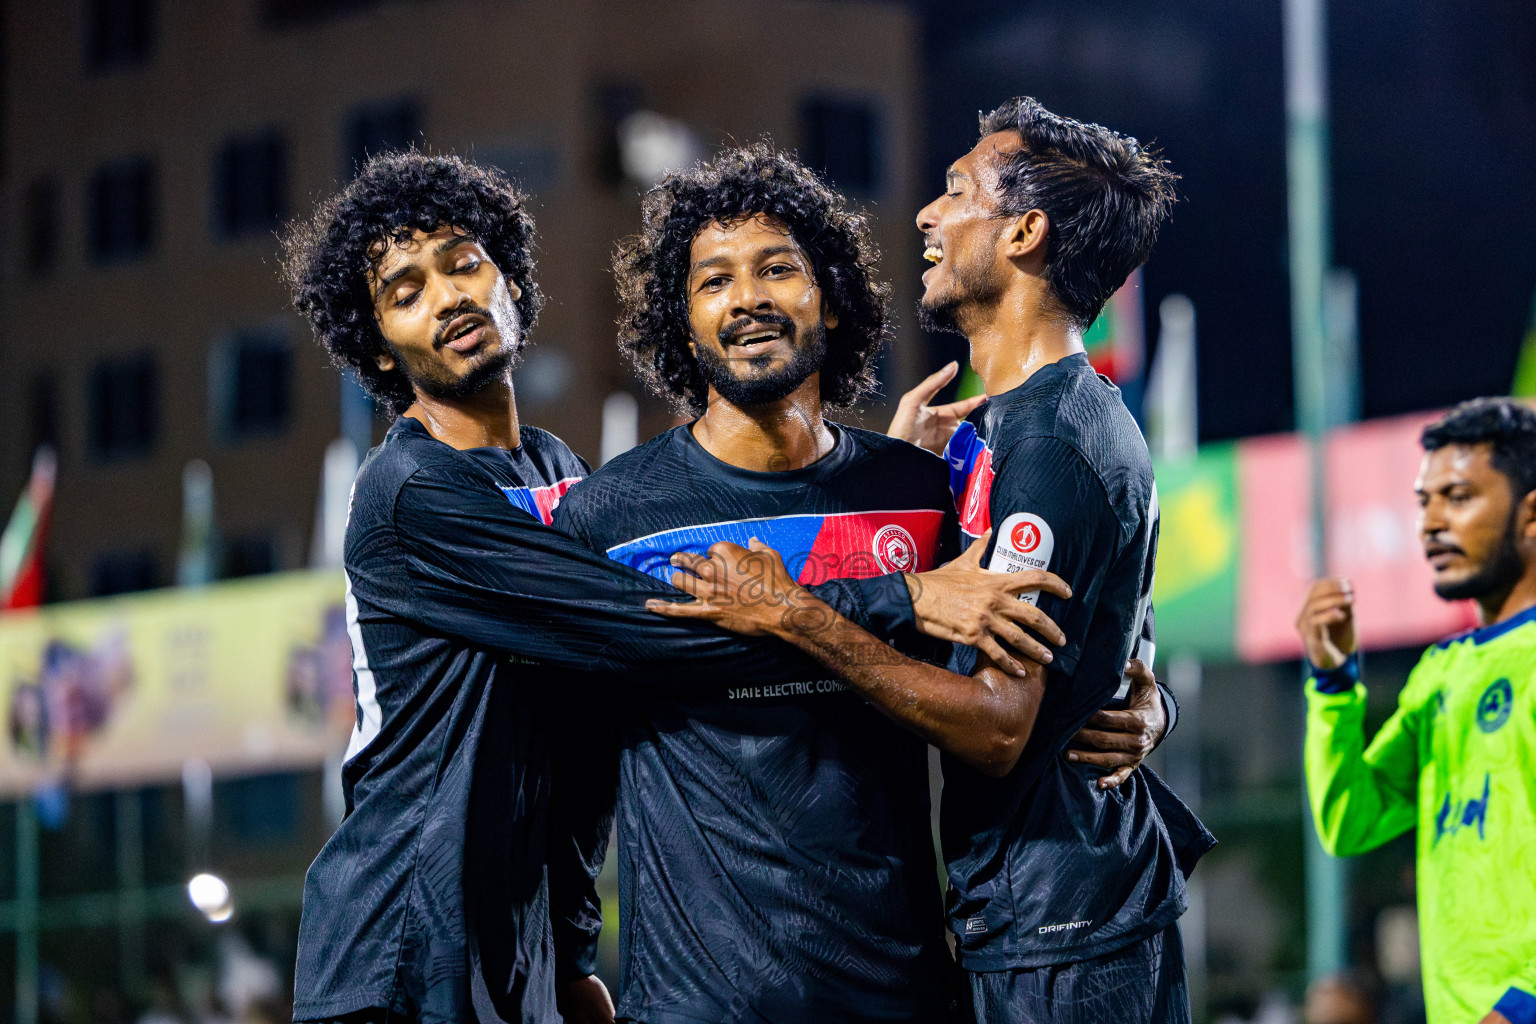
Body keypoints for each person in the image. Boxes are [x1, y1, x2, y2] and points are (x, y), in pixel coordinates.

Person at [277, 150, 1143, 1024]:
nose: (451, 297)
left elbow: (1042, 649)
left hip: (849, 978)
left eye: (465, 263)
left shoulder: (559, 474)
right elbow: (639, 642)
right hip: (409, 942)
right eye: (406, 292)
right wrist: (896, 595)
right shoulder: (464, 499)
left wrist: (1145, 704)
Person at [558, 145, 1171, 1023]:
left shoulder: (919, 496)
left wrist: (1151, 700)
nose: (749, 299)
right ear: (679, 320)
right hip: (696, 1003)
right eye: (713, 281)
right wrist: (570, 956)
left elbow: (1075, 616)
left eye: (778, 269)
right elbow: (569, 774)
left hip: (902, 993)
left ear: (833, 300)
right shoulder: (610, 516)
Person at [1296, 397, 1536, 1024]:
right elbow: (1350, 819)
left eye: (1458, 497)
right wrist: (1333, 683)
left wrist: (1521, 1006)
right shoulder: (1442, 672)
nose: (1430, 523)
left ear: (1531, 516)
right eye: (1424, 501)